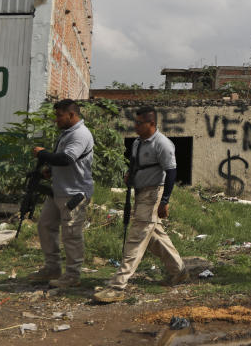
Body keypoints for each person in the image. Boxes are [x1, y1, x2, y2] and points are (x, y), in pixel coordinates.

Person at [94, 107, 187, 303]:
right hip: (140, 193)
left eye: (139, 123)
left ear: (151, 124)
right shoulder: (137, 142)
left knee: (136, 238)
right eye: (135, 123)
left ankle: (117, 286)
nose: (135, 126)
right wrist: (130, 175)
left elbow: (171, 172)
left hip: (154, 194)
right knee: (154, 236)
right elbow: (135, 163)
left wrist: (165, 201)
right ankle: (179, 272)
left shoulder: (163, 144)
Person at [28, 99, 95, 288]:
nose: (56, 120)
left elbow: (66, 159)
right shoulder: (68, 133)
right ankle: (53, 268)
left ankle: (73, 275)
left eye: (59, 116)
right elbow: (62, 161)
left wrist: (42, 154)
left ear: (71, 115)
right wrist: (50, 169)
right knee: (45, 226)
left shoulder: (80, 134)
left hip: (74, 194)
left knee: (71, 235)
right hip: (59, 191)